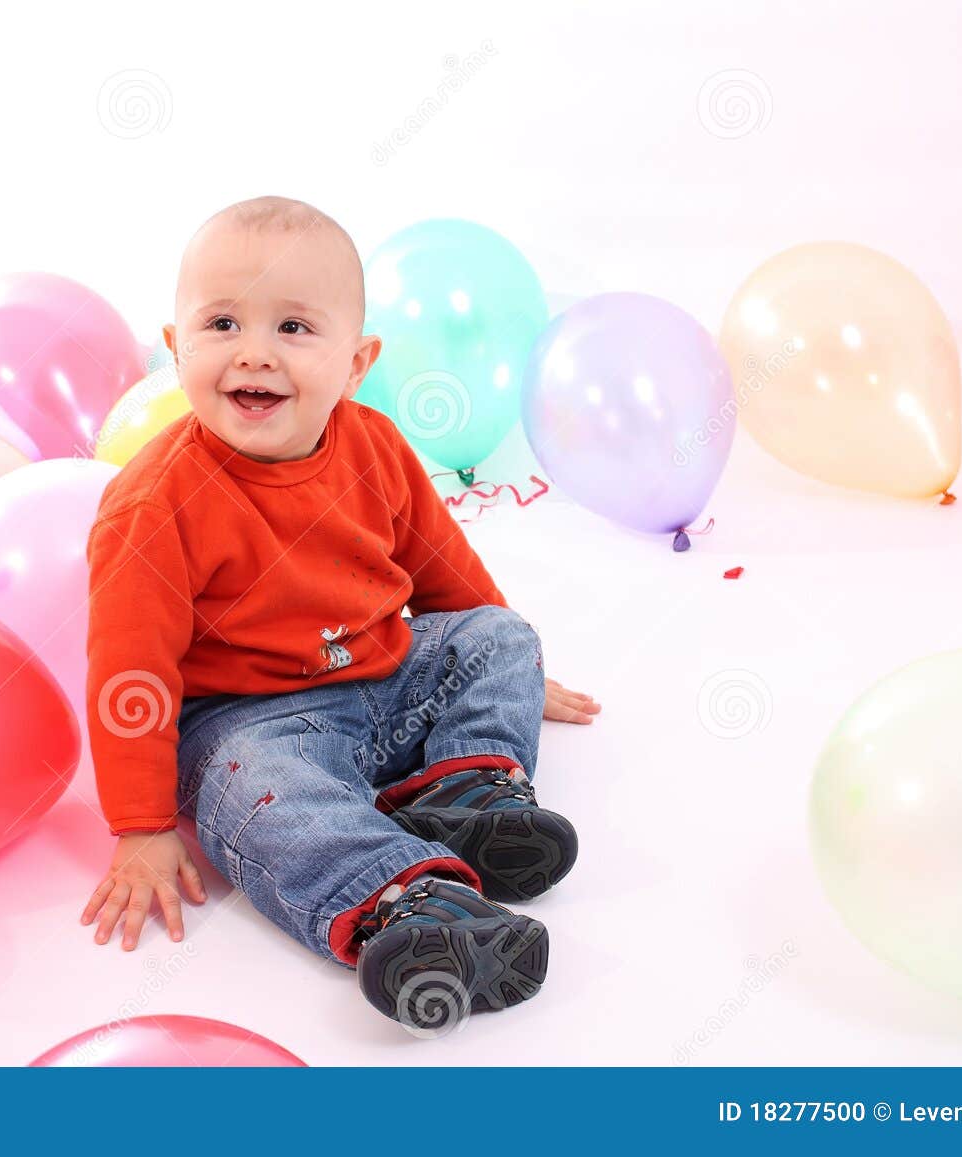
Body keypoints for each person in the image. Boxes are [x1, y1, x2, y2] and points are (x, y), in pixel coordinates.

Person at [80, 196, 600, 1029]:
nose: (255, 352)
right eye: (221, 324)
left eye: (293, 328)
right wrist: (140, 825)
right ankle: (412, 901)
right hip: (253, 725)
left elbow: (443, 573)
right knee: (258, 789)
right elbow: (128, 673)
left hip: (389, 680)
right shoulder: (152, 505)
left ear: (356, 363)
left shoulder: (377, 444)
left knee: (500, 634)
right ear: (176, 350)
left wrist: (509, 679)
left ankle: (470, 790)